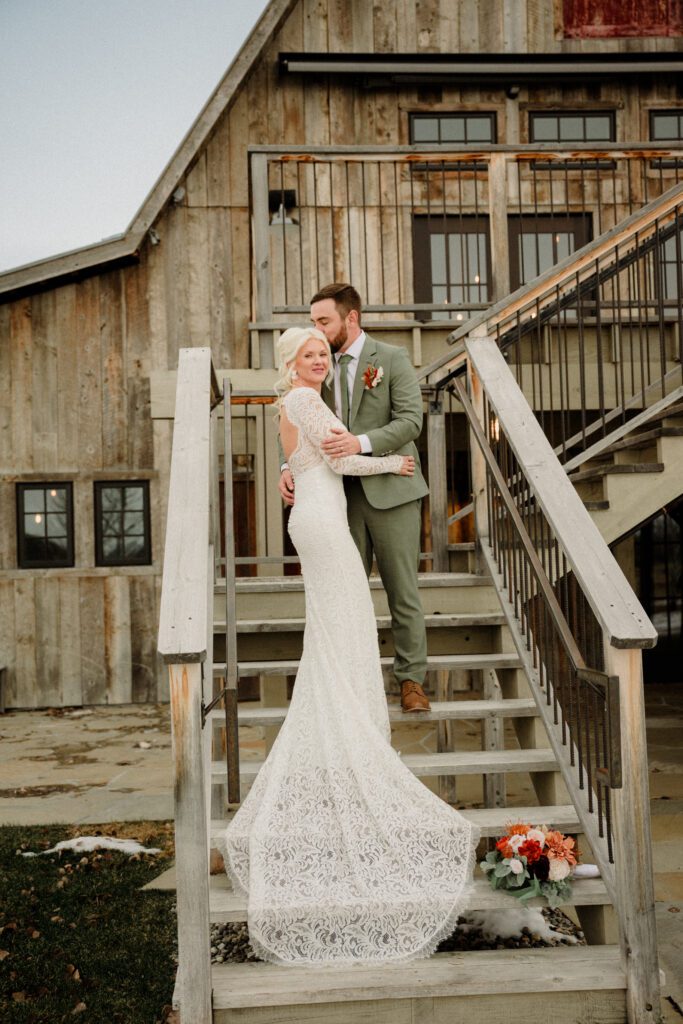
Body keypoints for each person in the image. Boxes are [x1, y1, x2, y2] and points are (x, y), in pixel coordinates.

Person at [216, 326, 478, 966]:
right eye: (310, 354)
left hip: (317, 514)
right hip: (325, 523)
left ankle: (352, 731)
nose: (320, 361)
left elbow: (307, 459)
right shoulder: (303, 398)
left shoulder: (299, 402)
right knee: (346, 628)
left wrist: (297, 468)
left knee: (342, 632)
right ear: (291, 362)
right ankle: (353, 741)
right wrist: (392, 462)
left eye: (324, 354)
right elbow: (336, 458)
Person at [279, 283, 431, 713]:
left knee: (403, 590)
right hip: (338, 496)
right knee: (347, 593)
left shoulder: (392, 358)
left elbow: (410, 422)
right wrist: (287, 467)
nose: (318, 332)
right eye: (313, 323)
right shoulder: (316, 366)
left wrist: (360, 443)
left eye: (324, 321)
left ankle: (411, 680)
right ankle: (350, 684)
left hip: (392, 491)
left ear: (351, 318)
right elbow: (301, 424)